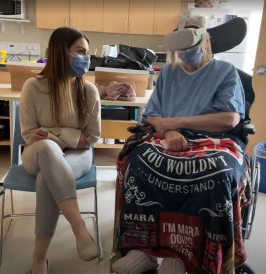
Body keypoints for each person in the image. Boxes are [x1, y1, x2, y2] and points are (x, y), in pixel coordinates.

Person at [112, 13, 246, 274]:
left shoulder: (225, 72)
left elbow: (229, 118)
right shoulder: (169, 73)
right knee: (136, 166)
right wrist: (170, 132)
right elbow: (152, 113)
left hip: (213, 140)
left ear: (206, 39)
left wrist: (177, 122)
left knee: (216, 175)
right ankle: (144, 250)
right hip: (166, 136)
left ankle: (186, 253)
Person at [20, 27, 101, 274]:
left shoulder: (88, 90)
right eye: (80, 51)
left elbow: (92, 137)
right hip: (39, 151)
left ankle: (38, 259)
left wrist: (56, 134)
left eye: (86, 52)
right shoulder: (33, 86)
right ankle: (80, 229)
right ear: (59, 52)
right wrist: (64, 137)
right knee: (46, 148)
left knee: (48, 178)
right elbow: (30, 134)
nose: (85, 58)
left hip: (78, 156)